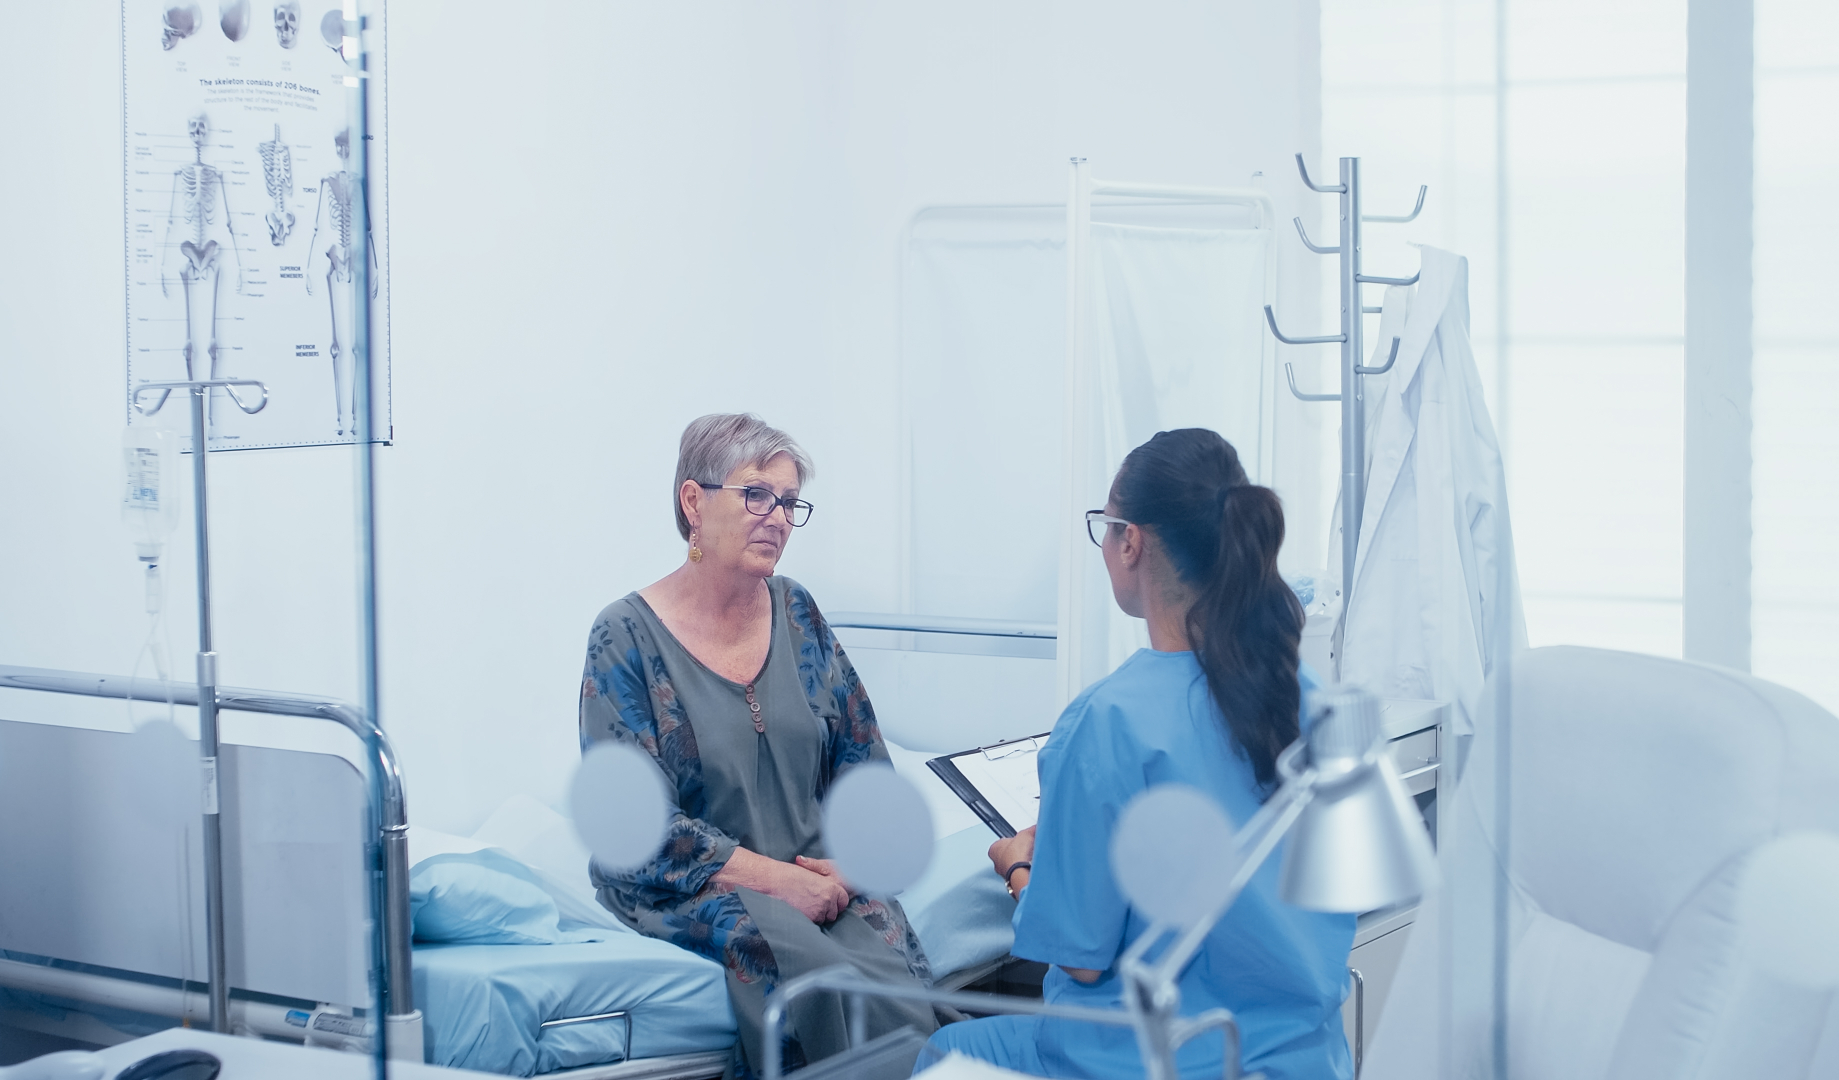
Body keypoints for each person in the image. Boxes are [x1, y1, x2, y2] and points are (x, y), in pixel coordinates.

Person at [918, 428, 1356, 1079]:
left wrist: (1019, 867)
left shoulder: (1106, 722)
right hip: (1304, 1060)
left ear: (1129, 542)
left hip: (1155, 1062)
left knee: (944, 1051)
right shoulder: (1308, 695)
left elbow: (1080, 959)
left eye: (1104, 526)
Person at [579, 413, 940, 1076]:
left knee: (893, 965)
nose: (777, 517)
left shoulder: (797, 613)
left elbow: (864, 766)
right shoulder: (625, 635)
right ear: (694, 501)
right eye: (756, 495)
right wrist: (776, 879)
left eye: (789, 502)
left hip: (813, 872)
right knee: (809, 975)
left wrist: (850, 868)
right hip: (689, 885)